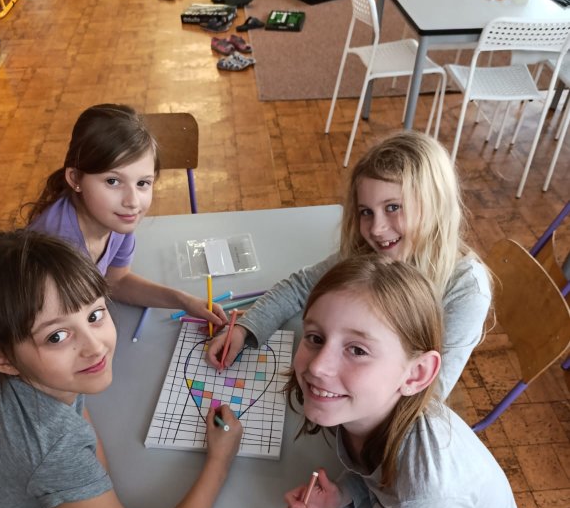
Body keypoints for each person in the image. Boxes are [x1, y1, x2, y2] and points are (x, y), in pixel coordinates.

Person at [265, 256, 548, 508]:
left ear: (415, 374)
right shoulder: (367, 407)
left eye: (357, 350)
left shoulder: (429, 491)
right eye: (315, 337)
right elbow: (379, 470)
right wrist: (344, 492)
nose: (317, 367)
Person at [0, 230, 242, 508]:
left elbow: (76, 411)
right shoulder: (51, 444)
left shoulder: (11, 361)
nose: (95, 346)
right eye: (56, 336)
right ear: (1, 360)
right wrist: (220, 461)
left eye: (95, 314)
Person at [207, 130, 491, 400]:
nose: (376, 229)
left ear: (434, 204)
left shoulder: (465, 290)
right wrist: (246, 329)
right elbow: (300, 286)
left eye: (393, 207)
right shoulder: (368, 253)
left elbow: (432, 395)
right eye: (366, 212)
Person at [27, 103, 227, 329]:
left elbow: (116, 281)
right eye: (113, 181)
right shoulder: (56, 250)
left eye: (143, 183)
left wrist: (185, 301)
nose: (132, 201)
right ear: (75, 179)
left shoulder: (115, 218)